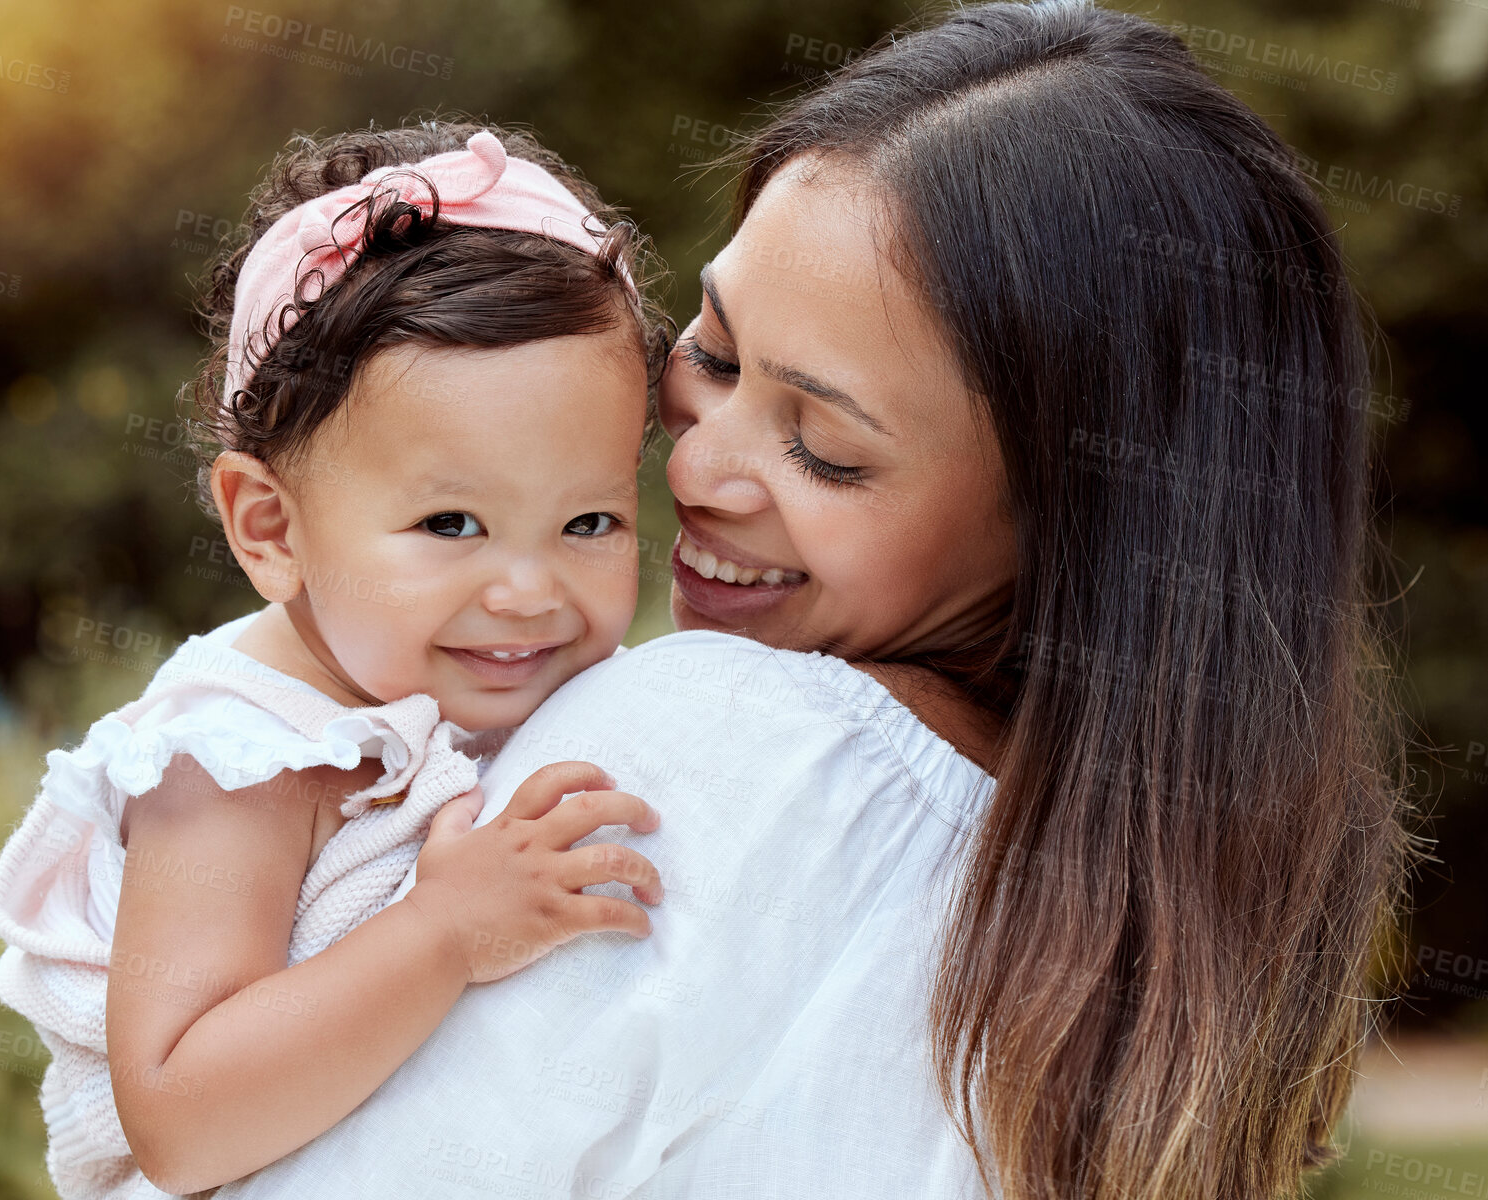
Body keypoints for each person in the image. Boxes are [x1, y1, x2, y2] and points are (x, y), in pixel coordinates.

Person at [218, 3, 1410, 1198]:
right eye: (717, 355)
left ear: (1077, 520)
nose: (689, 469)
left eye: (828, 449)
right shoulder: (1155, 916)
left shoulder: (721, 752)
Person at [0, 121, 676, 1198]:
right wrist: (445, 929)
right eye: (452, 523)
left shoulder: (461, 684)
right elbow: (179, 1117)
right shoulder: (242, 757)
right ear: (269, 527)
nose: (531, 591)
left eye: (589, 521)